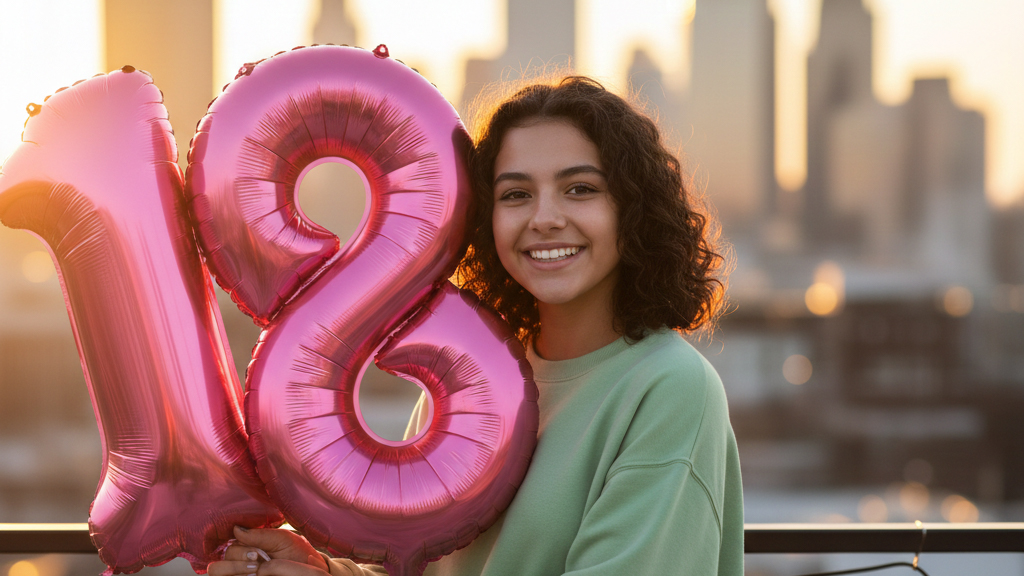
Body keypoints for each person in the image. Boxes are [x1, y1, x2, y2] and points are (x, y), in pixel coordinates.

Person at [209, 75, 742, 576]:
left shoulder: (670, 388)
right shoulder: (472, 377)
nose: (545, 218)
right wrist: (325, 571)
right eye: (515, 195)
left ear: (634, 210)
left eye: (580, 189)